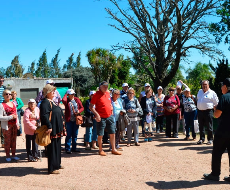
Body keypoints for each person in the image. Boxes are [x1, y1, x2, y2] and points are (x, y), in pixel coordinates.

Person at [203, 78, 230, 182]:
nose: (221, 87)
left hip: (223, 130)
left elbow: (217, 115)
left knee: (217, 151)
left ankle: (215, 174)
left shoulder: (224, 97)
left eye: (222, 85)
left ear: (225, 87)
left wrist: (215, 110)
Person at [89, 81, 121, 156]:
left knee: (112, 132)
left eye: (107, 86)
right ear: (100, 86)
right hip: (101, 117)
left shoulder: (107, 93)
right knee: (100, 134)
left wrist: (111, 109)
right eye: (104, 86)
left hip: (109, 116)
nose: (106, 87)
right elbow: (90, 106)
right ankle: (100, 150)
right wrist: (97, 115)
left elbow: (109, 103)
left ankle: (113, 149)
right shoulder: (96, 95)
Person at [40, 84, 64, 174]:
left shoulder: (52, 101)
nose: (54, 92)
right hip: (51, 129)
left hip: (56, 129)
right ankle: (52, 168)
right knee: (51, 148)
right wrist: (49, 126)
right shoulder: (45, 102)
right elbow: (44, 116)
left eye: (54, 90)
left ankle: (57, 164)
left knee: (57, 147)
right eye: (52, 91)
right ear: (47, 93)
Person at [196, 80, 219, 145]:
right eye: (203, 84)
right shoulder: (199, 91)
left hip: (208, 111)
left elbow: (216, 103)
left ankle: (210, 139)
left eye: (205, 84)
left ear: (208, 85)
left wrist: (215, 111)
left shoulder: (212, 93)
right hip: (200, 111)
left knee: (209, 126)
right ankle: (201, 139)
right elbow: (198, 100)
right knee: (201, 126)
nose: (204, 86)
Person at [0, 89, 20, 162]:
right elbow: (0, 117)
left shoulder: (13, 103)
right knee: (7, 141)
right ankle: (7, 155)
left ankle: (14, 155)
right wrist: (10, 117)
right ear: (3, 95)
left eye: (9, 94)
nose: (8, 95)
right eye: (6, 94)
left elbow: (16, 115)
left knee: (14, 140)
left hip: (14, 125)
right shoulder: (1, 105)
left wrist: (18, 123)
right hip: (7, 126)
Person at [62, 89, 84, 154]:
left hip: (76, 120)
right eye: (71, 94)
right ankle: (67, 148)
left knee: (75, 134)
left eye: (73, 94)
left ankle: (74, 148)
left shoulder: (77, 99)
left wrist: (79, 111)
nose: (72, 95)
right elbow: (63, 100)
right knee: (69, 134)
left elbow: (82, 107)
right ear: (68, 95)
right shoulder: (67, 101)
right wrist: (66, 94)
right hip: (69, 120)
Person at [0, 75, 6, 148]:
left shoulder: (4, 88)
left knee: (3, 126)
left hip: (2, 107)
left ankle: (3, 142)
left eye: (3, 80)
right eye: (0, 80)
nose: (2, 82)